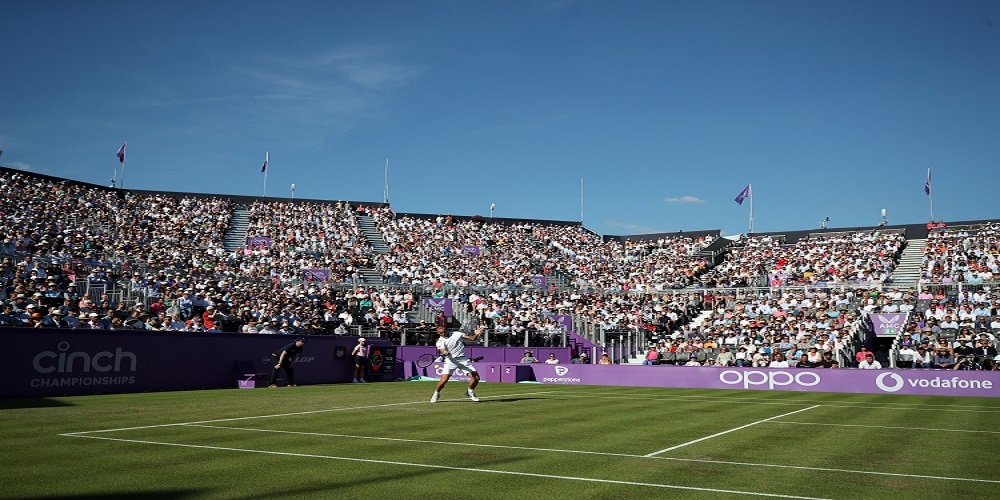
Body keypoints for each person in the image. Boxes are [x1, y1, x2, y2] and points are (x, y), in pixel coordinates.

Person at [430, 324, 484, 403]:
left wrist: (476, 334)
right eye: (441, 332)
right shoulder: (440, 342)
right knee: (444, 380)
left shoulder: (456, 334)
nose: (443, 333)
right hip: (450, 361)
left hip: (463, 359)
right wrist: (445, 352)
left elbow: (472, 339)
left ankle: (470, 392)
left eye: (444, 331)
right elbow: (442, 350)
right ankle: (436, 394)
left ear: (446, 330)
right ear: (438, 333)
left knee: (476, 378)